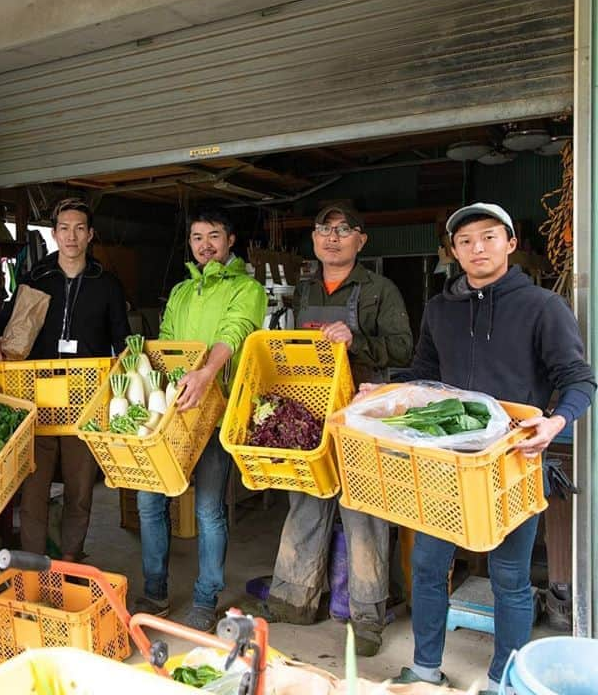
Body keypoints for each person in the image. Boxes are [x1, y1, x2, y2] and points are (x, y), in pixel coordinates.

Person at [384, 203, 594, 692]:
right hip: (445, 461)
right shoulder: (439, 310)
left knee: (510, 577)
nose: (477, 248)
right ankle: (424, 668)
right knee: (429, 566)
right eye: (465, 241)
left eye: (489, 237)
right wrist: (384, 394)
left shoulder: (543, 307)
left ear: (510, 243)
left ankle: (505, 679)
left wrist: (557, 421)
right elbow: (425, 374)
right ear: (454, 252)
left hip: (513, 462)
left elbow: (579, 380)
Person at [255, 203, 412, 656]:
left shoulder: (380, 289)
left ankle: (367, 619)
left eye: (343, 230)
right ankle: (293, 602)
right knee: (304, 505)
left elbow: (404, 347)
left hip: (361, 417)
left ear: (360, 240)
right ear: (314, 239)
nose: (332, 237)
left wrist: (356, 341)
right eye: (324, 229)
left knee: (363, 515)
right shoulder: (303, 289)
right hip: (310, 412)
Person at [132, 209, 267, 631]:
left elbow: (236, 331)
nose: (204, 245)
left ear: (230, 241)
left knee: (209, 509)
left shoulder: (247, 288)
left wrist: (207, 374)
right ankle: (155, 592)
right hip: (174, 412)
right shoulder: (181, 291)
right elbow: (168, 341)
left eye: (213, 236)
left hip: (216, 409)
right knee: (150, 501)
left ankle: (206, 598)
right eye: (196, 237)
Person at [0, 198, 130, 561]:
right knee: (33, 491)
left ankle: (69, 561)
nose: (71, 236)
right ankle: (33, 562)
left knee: (79, 492)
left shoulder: (107, 284)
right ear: (54, 234)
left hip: (84, 404)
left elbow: (123, 342)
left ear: (90, 234)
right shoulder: (36, 279)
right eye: (64, 228)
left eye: (79, 228)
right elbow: (1, 329)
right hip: (38, 402)